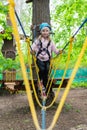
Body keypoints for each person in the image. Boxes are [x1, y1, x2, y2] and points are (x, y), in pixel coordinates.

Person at [31, 22, 62, 97]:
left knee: (47, 71)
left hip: (47, 59)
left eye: (46, 31)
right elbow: (33, 47)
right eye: (43, 31)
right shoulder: (38, 40)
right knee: (42, 70)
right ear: (41, 32)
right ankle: (40, 81)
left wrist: (59, 51)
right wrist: (32, 50)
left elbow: (55, 50)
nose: (45, 32)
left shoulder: (51, 42)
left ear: (49, 32)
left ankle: (44, 86)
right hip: (39, 59)